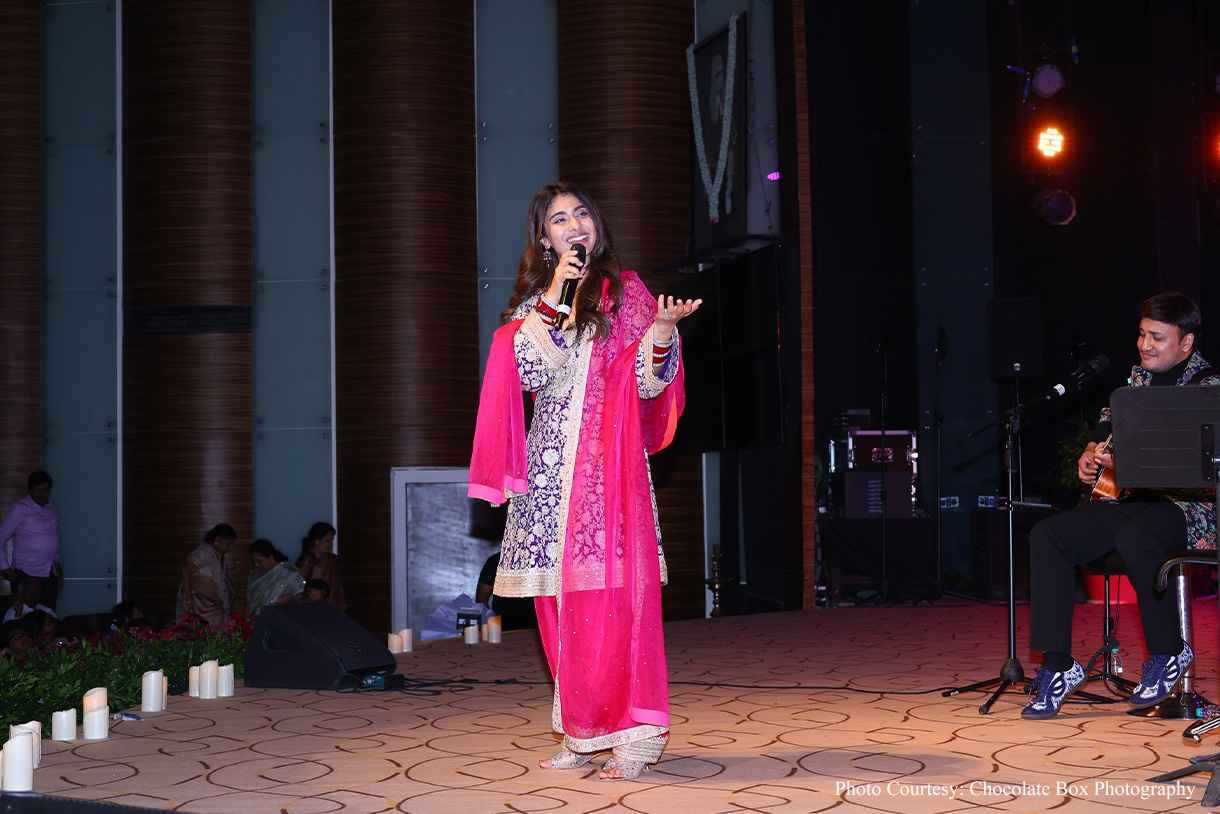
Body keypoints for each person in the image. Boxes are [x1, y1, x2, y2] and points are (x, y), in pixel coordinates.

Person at [469, 182, 698, 780]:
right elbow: (526, 369)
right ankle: (582, 729)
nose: (573, 226)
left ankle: (635, 740)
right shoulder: (533, 304)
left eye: (581, 215)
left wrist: (664, 333)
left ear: (596, 227)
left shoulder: (629, 295)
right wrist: (556, 294)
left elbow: (650, 388)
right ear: (544, 240)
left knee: (611, 605)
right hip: (548, 480)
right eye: (558, 220)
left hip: (609, 479)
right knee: (555, 608)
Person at [1022, 291, 1220, 720]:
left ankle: (1169, 653)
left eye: (1157, 337)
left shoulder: (1207, 390)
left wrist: (1131, 461)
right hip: (1133, 502)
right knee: (1049, 534)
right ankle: (1058, 667)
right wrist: (1093, 450)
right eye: (1141, 334)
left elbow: (1197, 468)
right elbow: (1109, 421)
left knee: (1137, 535)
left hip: (1190, 511)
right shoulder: (1137, 380)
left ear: (1186, 344)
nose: (1145, 345)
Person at [0, 471, 64, 611]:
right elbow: (1, 537)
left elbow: (52, 541)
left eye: (45, 490)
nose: (41, 494)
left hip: (48, 573)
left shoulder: (50, 508)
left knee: (48, 618)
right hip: (26, 574)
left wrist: (58, 571)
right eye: (37, 490)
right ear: (30, 489)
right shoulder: (19, 508)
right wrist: (4, 568)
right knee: (26, 619)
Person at [175, 524, 237, 625]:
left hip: (213, 609)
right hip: (198, 607)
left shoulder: (218, 556)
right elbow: (186, 570)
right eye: (228, 544)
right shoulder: (205, 552)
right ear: (217, 540)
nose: (230, 548)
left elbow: (215, 577)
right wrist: (189, 601)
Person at [246, 539, 305, 617]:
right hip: (253, 620)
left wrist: (283, 600)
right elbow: (248, 599)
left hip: (276, 619)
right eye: (254, 561)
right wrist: (245, 621)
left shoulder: (289, 573)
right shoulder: (253, 573)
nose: (256, 565)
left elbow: (300, 595)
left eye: (259, 561)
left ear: (271, 558)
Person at [296, 522, 346, 611]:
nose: (331, 544)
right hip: (316, 608)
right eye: (328, 540)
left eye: (332, 540)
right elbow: (298, 588)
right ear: (316, 541)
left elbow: (338, 584)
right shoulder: (308, 560)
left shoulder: (333, 559)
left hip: (334, 608)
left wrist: (342, 603)